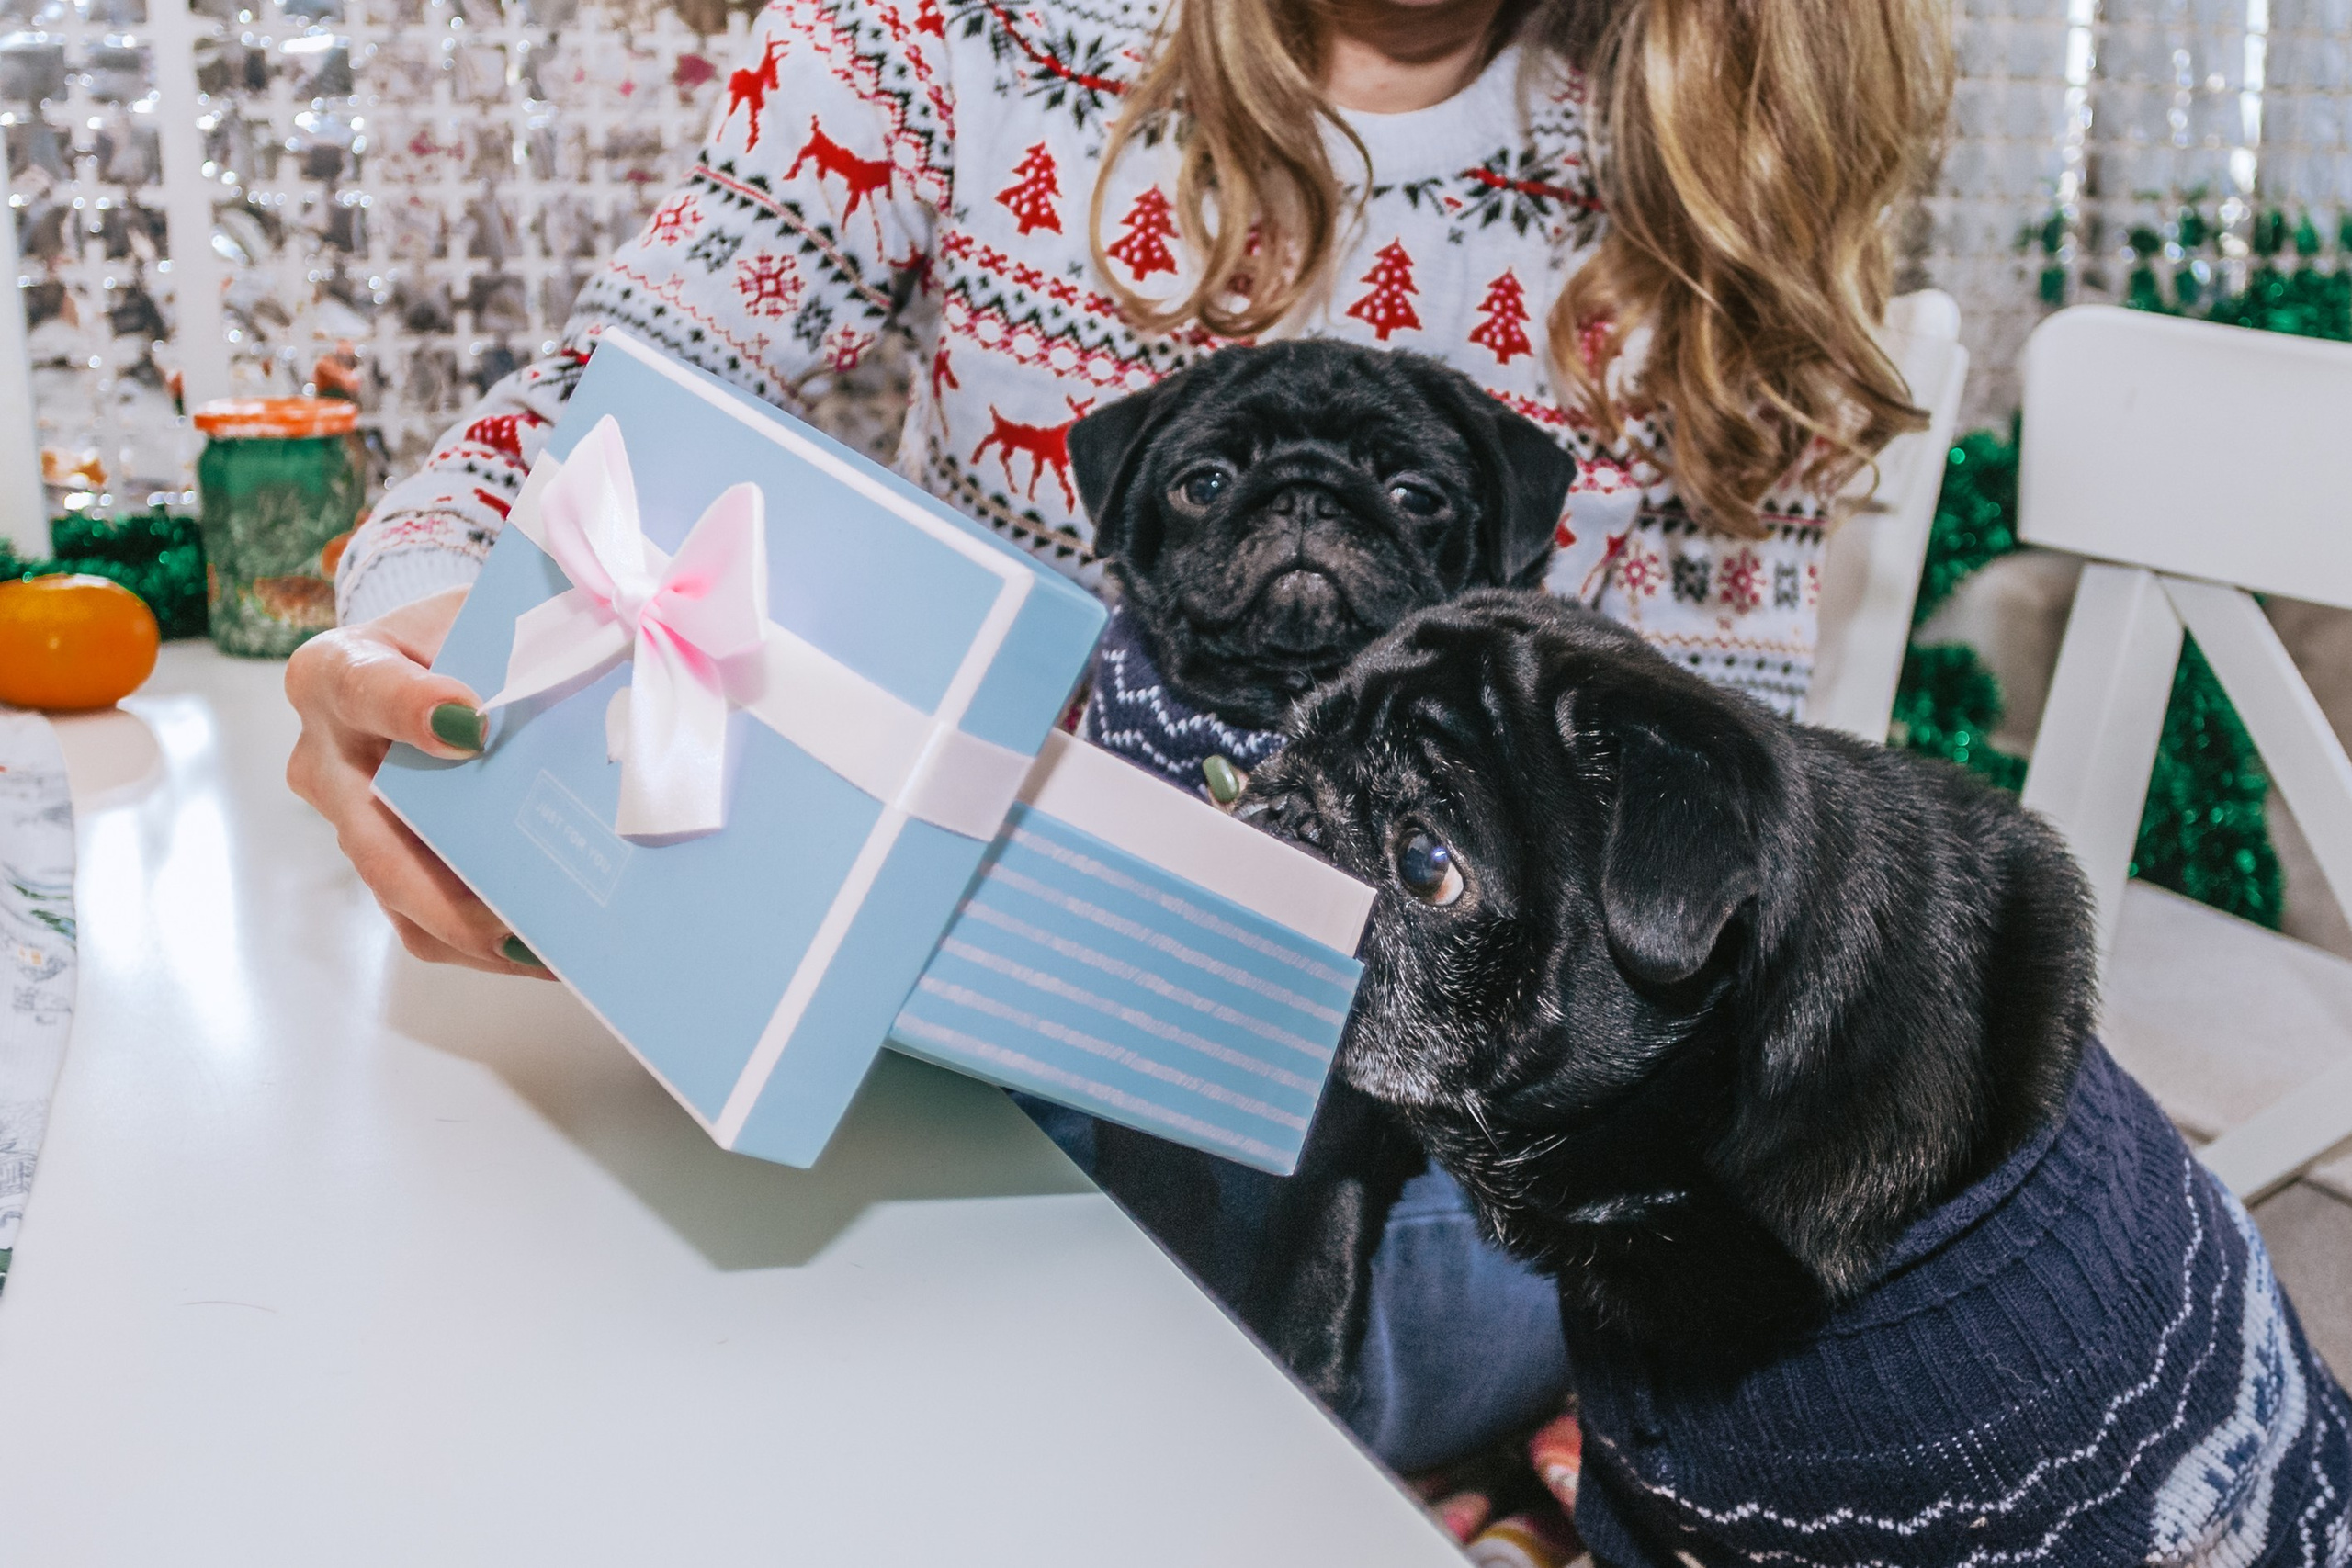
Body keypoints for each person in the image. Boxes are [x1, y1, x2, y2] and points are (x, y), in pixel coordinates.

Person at [287, 0, 1951, 1471]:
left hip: (1425, 1135)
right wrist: (439, 626)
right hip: (954, 1054)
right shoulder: (959, 33)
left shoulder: (1715, 150)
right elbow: (604, 395)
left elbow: (1728, 814)